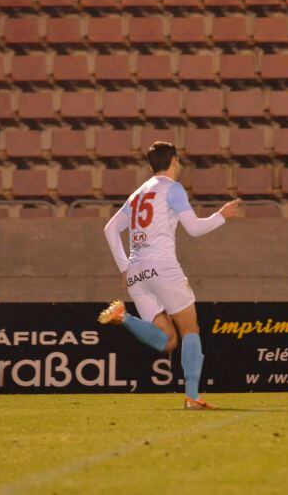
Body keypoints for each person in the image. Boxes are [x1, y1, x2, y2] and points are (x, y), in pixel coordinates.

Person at [98, 141, 240, 410]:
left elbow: (110, 229)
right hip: (162, 267)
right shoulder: (172, 189)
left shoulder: (137, 194)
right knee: (189, 330)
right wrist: (222, 216)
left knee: (167, 342)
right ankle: (192, 397)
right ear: (174, 161)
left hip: (137, 274)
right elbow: (195, 229)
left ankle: (122, 317)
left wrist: (124, 267)